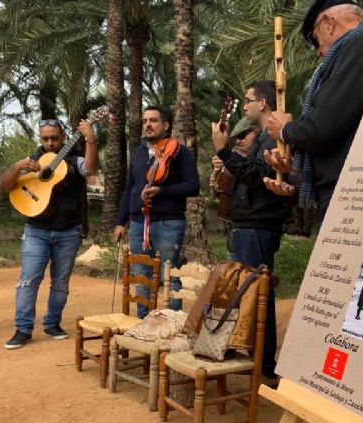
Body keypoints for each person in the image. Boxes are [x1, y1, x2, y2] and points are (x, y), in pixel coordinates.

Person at [252, 0, 363, 423]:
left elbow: (322, 128)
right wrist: (293, 163)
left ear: (327, 22)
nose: (319, 54)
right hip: (350, 196)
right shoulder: (357, 53)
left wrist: (288, 129)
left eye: (316, 44)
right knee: (343, 327)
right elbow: (337, 137)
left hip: (361, 200)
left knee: (343, 327)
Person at [212, 80, 291, 379]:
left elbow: (259, 178)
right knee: (252, 295)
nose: (244, 106)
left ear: (263, 104)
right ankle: (257, 359)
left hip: (258, 227)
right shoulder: (262, 138)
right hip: (249, 226)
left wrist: (224, 151)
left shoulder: (273, 138)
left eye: (247, 100)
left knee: (259, 295)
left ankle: (265, 366)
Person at [0, 118, 98, 349]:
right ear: (40, 138)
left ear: (63, 137)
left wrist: (90, 139)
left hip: (69, 231)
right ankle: (23, 329)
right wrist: (17, 167)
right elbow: (5, 186)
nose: (50, 142)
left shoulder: (75, 161)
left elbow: (92, 169)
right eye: (45, 138)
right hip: (36, 230)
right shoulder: (33, 160)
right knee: (28, 279)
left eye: (55, 138)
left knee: (60, 282)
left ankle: (52, 323)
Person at [115, 106, 199, 316]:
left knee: (169, 274)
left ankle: (171, 325)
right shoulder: (138, 153)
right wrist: (120, 222)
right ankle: (144, 323)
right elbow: (129, 188)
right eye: (145, 121)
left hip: (168, 223)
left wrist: (162, 190)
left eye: (153, 120)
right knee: (140, 274)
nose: (148, 125)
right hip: (137, 223)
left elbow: (193, 186)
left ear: (165, 125)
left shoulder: (180, 153)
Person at [209, 117, 259, 261]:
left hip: (252, 232)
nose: (238, 141)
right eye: (236, 137)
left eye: (242, 136)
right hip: (234, 233)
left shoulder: (262, 157)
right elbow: (220, 194)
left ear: (255, 132)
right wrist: (218, 174)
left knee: (254, 281)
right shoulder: (234, 159)